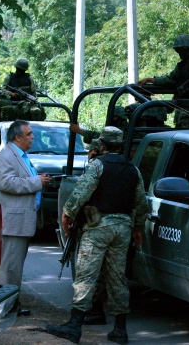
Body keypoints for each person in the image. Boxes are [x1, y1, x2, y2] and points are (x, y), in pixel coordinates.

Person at [45, 126, 148, 345]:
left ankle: (74, 326)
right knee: (118, 278)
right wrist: (137, 227)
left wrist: (67, 216)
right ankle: (120, 330)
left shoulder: (97, 166)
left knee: (86, 275)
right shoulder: (133, 169)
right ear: (120, 145)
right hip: (122, 229)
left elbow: (80, 194)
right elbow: (141, 202)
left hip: (98, 228)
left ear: (101, 144)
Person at [0, 119, 51, 316]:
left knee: (15, 266)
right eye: (29, 134)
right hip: (14, 220)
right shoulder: (6, 155)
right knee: (10, 266)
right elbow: (6, 183)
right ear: (17, 137)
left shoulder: (22, 155)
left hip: (23, 218)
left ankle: (12, 304)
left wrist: (39, 180)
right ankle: (5, 307)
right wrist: (37, 181)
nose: (33, 137)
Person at [138, 34, 189, 129]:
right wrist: (150, 80)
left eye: (180, 50)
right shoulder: (181, 66)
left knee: (185, 135)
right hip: (182, 106)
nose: (178, 53)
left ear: (187, 49)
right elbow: (170, 80)